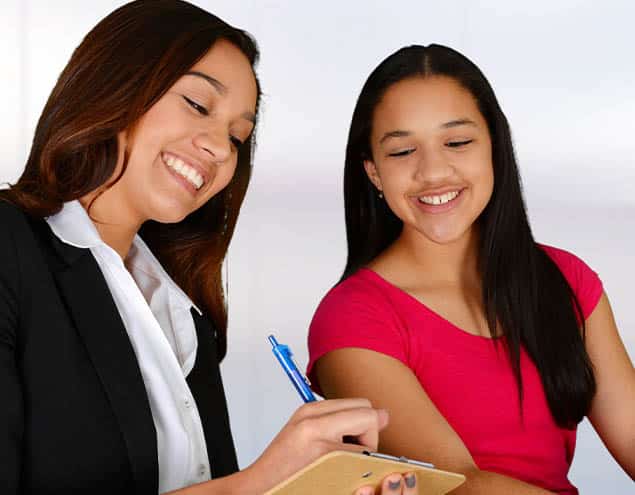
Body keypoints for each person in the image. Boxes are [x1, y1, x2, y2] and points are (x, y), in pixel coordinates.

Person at [0, 1, 417, 494]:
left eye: (238, 137)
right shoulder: (12, 247)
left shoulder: (185, 318)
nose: (222, 149)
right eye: (198, 105)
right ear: (115, 82)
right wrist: (258, 482)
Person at [307, 44, 635, 494]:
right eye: (402, 151)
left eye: (457, 142)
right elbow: (458, 486)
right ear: (374, 173)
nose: (434, 171)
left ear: (494, 149)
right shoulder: (353, 316)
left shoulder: (568, 280)